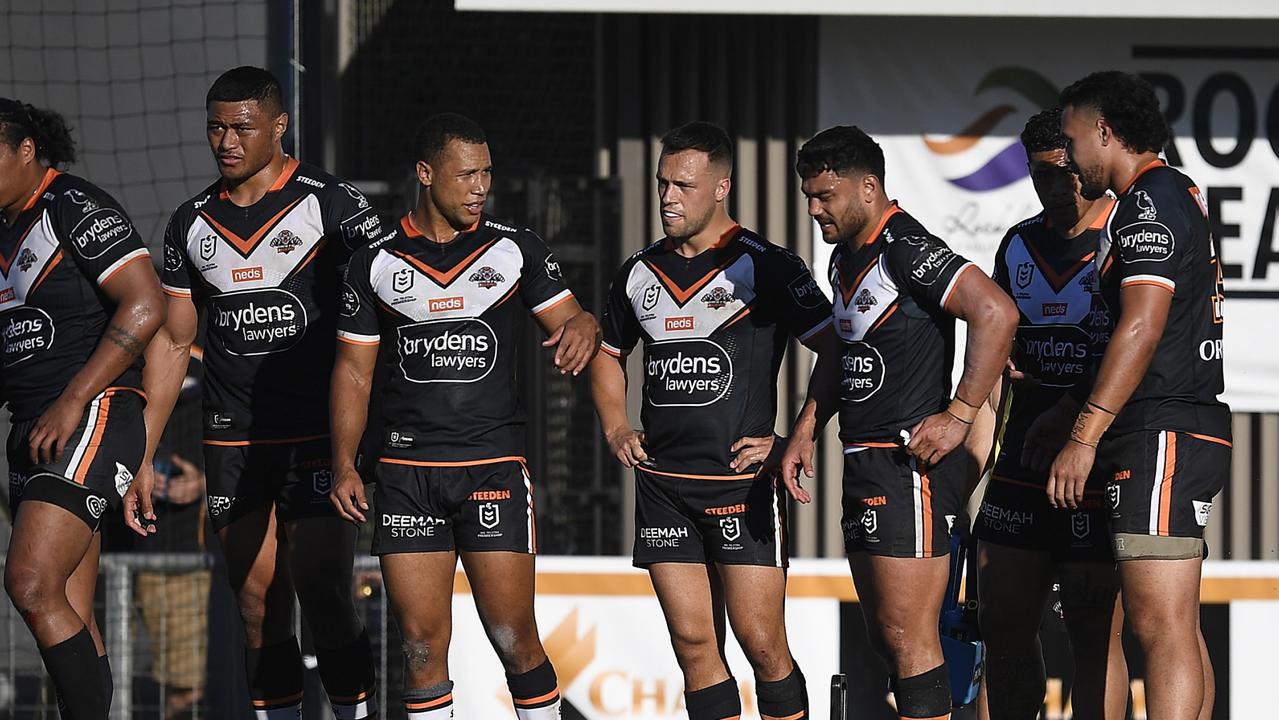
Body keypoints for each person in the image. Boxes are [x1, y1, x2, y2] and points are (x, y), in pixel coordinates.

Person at [330, 112, 599, 720]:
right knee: (421, 647)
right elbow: (352, 372)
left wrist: (584, 324)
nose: (480, 187)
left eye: (487, 174)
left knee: (514, 639)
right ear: (425, 175)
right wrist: (345, 462)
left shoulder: (514, 247)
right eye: (466, 174)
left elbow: (574, 321)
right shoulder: (373, 261)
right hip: (404, 474)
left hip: (491, 471)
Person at [146, 66, 380, 719]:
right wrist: (140, 454)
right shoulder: (189, 221)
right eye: (215, 127)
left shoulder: (333, 204)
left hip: (319, 436)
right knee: (256, 606)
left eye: (242, 127)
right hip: (235, 438)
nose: (226, 140)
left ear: (279, 126)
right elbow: (170, 343)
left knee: (323, 588)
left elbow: (388, 308)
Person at [590, 121, 833, 720]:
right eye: (662, 183)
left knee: (762, 645)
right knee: (695, 646)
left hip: (740, 485)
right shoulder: (637, 271)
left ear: (722, 186)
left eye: (684, 185)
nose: (669, 197)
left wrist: (794, 438)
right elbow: (607, 353)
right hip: (664, 487)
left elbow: (837, 349)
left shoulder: (770, 266)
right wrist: (616, 425)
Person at [780, 126, 1018, 720]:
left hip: (908, 468)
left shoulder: (906, 247)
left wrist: (960, 414)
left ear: (868, 187)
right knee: (888, 638)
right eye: (808, 195)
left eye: (825, 196)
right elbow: (841, 350)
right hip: (862, 461)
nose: (814, 209)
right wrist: (808, 425)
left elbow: (995, 312)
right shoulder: (844, 258)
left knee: (911, 638)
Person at [1055, 70, 1230, 720]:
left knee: (1157, 631)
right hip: (1175, 432)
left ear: (1103, 131)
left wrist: (1083, 436)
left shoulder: (1148, 201)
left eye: (1071, 142)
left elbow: (1141, 322)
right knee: (1174, 627)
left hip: (1161, 433)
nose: (1068, 161)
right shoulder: (1171, 190)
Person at [0, 98, 164, 719]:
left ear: (26, 150)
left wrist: (73, 400)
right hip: (34, 425)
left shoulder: (70, 204)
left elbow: (145, 305)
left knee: (30, 583)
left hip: (91, 412)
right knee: (67, 607)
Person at [972, 108, 1127, 720]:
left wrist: (1077, 417)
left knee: (1094, 637)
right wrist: (973, 469)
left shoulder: (1126, 233)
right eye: (1042, 176)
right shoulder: (1016, 244)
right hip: (1022, 461)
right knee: (1003, 626)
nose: (1058, 188)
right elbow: (990, 367)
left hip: (1098, 455)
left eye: (1066, 173)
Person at [135, 348, 211, 720]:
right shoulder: (127, 344)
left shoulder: (208, 350)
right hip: (133, 554)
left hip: (191, 560)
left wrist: (205, 484)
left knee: (188, 685)